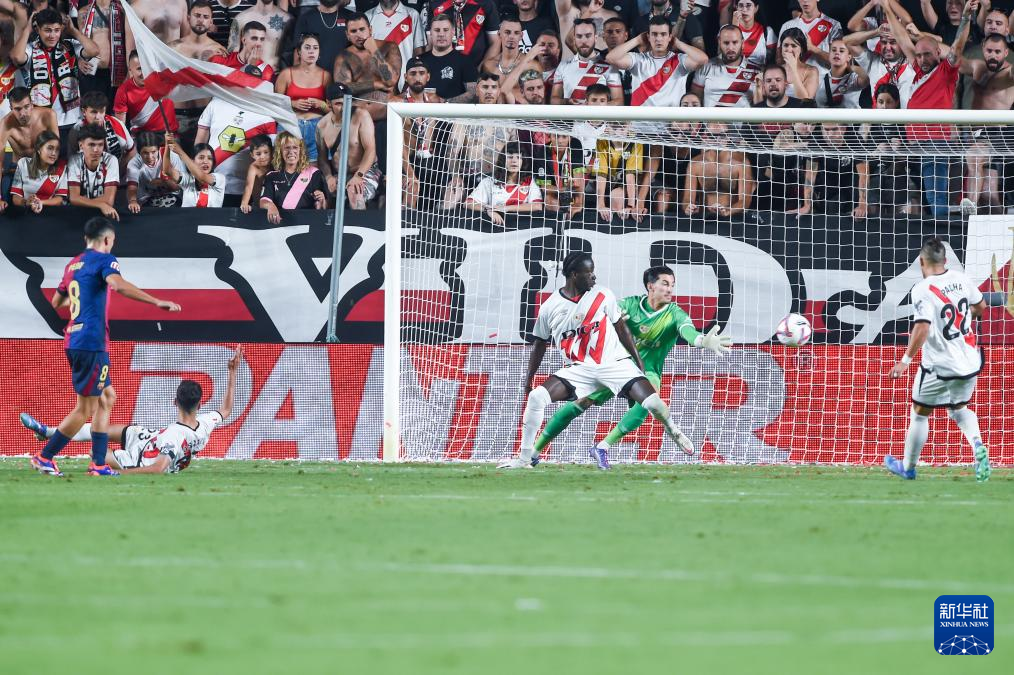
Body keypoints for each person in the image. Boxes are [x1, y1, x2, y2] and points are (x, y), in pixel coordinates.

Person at [497, 252, 695, 469]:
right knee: (536, 397)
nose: (594, 277)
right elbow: (539, 344)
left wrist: (638, 364)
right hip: (580, 369)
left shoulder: (603, 294)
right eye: (589, 273)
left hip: (615, 364)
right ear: (574, 275)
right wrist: (529, 379)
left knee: (654, 404)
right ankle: (525, 458)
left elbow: (622, 330)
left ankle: (672, 428)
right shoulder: (550, 307)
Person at [533, 266, 732, 468]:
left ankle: (602, 447)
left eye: (672, 285)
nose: (670, 289)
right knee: (580, 403)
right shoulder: (629, 305)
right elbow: (602, 313)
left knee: (648, 402)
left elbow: (688, 331)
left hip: (647, 371)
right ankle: (534, 451)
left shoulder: (675, 314)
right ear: (650, 286)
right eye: (665, 284)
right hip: (614, 366)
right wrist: (608, 319)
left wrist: (702, 341)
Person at [27, 217, 181, 477]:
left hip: (76, 339)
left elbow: (57, 301)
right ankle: (45, 457)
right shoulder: (104, 260)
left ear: (86, 238)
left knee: (107, 398)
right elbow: (117, 284)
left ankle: (98, 464)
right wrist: (156, 302)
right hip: (90, 342)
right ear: (108, 239)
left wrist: (85, 298)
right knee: (85, 408)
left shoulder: (73, 264)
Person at [22, 347, 241, 474]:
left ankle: (55, 437)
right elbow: (226, 409)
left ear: (175, 402)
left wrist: (119, 473)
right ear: (200, 405)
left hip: (140, 457)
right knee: (102, 430)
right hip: (150, 437)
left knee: (96, 452)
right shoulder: (205, 423)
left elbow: (158, 468)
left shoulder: (175, 436)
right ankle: (48, 432)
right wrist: (232, 372)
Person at [884, 237, 991, 482]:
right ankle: (977, 445)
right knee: (958, 408)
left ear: (922, 262)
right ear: (945, 260)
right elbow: (981, 307)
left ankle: (908, 467)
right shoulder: (962, 279)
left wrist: (904, 361)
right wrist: (963, 316)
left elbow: (922, 327)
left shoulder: (922, 289)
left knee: (920, 412)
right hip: (969, 361)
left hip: (940, 365)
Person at [887, 0, 974, 217]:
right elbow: (902, 38)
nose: (922, 59)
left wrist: (966, 18)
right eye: (918, 55)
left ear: (938, 52)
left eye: (927, 54)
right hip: (914, 146)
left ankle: (943, 234)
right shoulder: (918, 71)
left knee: (936, 196)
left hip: (934, 143)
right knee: (923, 197)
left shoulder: (946, 71)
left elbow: (958, 46)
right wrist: (886, 6)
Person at [10, 9, 101, 129]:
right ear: (38, 29)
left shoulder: (69, 45)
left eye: (57, 30)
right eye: (47, 30)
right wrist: (27, 30)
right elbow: (16, 57)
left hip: (71, 118)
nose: (52, 35)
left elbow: (94, 50)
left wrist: (74, 31)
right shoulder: (30, 49)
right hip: (40, 120)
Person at [606, 15, 708, 107]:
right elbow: (611, 58)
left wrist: (678, 43)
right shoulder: (638, 59)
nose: (658, 39)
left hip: (671, 121)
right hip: (641, 121)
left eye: (663, 34)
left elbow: (703, 59)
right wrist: (637, 40)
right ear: (648, 37)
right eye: (654, 34)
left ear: (670, 37)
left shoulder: (679, 60)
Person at [195, 96, 278, 206]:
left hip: (247, 189)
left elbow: (273, 154)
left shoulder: (266, 110)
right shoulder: (215, 102)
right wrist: (197, 174)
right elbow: (199, 144)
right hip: (212, 186)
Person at [169, 0, 228, 148]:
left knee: (201, 159)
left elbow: (224, 86)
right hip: (176, 114)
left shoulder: (219, 51)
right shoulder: (173, 48)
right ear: (188, 18)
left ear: (211, 22)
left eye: (205, 17)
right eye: (197, 15)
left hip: (205, 115)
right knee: (175, 160)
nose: (201, 20)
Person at [317, 82, 380, 210]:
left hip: (365, 171)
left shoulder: (361, 116)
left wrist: (359, 175)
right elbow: (322, 158)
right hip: (340, 174)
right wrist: (329, 177)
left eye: (347, 102)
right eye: (338, 104)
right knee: (319, 195)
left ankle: (359, 223)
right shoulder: (322, 126)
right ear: (328, 103)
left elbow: (370, 149)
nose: (344, 107)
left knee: (354, 191)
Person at [332, 13, 402, 118]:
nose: (359, 34)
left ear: (370, 30)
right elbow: (341, 89)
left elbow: (391, 80)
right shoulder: (343, 56)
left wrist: (374, 50)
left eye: (362, 29)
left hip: (388, 115)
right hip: (358, 117)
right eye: (353, 31)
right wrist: (376, 84)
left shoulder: (389, 47)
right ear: (347, 35)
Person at [275, 33, 331, 161]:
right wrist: (293, 104)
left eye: (315, 48)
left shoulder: (326, 76)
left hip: (317, 126)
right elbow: (275, 105)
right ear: (299, 52)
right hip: (291, 124)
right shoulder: (286, 74)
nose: (311, 51)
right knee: (287, 165)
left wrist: (320, 104)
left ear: (319, 52)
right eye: (307, 47)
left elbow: (333, 110)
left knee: (315, 166)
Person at [682, 122, 755, 218]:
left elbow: (745, 201)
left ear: (728, 136)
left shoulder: (740, 163)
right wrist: (688, 207)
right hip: (705, 218)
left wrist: (727, 211)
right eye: (712, 136)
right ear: (706, 137)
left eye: (722, 135)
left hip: (732, 217)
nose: (717, 140)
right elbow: (687, 198)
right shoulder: (695, 163)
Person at [464, 141, 543, 225]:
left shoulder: (530, 181)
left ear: (523, 161)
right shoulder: (489, 181)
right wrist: (488, 210)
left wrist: (506, 208)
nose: (514, 161)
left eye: (518, 157)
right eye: (510, 157)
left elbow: (537, 206)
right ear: (503, 159)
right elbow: (468, 203)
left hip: (521, 226)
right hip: (496, 226)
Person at [550, 18, 624, 105]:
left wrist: (596, 107)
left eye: (588, 36)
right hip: (571, 114)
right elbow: (554, 100)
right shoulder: (563, 65)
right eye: (579, 36)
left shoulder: (609, 66)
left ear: (595, 38)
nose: (584, 41)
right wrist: (567, 102)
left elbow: (619, 101)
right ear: (574, 39)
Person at [260, 132, 328, 222]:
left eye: (295, 147)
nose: (291, 152)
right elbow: (263, 200)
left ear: (301, 150)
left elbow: (324, 207)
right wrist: (270, 206)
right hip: (280, 225)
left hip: (307, 223)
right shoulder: (271, 176)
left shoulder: (314, 173)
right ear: (280, 151)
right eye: (287, 148)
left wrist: (321, 201)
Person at [76, 0, 132, 103]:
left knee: (115, 110)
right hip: (91, 71)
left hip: (117, 72)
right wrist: (79, 59)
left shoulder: (123, 10)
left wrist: (130, 70)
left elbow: (130, 41)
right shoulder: (83, 12)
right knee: (92, 110)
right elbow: (81, 43)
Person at [691, 24, 759, 108]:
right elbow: (695, 100)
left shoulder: (756, 71)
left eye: (735, 42)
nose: (730, 48)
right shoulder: (706, 67)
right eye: (726, 43)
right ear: (719, 42)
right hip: (711, 117)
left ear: (742, 43)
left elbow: (760, 105)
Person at [113, 51, 179, 134]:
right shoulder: (123, 91)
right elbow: (120, 126)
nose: (144, 72)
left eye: (146, 67)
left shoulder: (165, 78)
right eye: (139, 68)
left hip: (169, 135)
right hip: (141, 136)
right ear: (130, 70)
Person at [366, 0, 426, 90]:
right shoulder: (368, 16)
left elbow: (419, 51)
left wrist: (414, 78)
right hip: (377, 81)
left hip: (406, 82)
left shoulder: (413, 14)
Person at [417, 12, 479, 99]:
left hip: (453, 108)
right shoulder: (419, 61)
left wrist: (445, 103)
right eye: (437, 30)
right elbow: (408, 92)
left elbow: (473, 94)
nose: (441, 34)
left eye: (446, 30)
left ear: (453, 32)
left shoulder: (465, 62)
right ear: (430, 33)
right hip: (422, 108)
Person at [424, 0, 501, 68]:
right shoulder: (435, 4)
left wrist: (483, 68)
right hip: (443, 68)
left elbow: (495, 42)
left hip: (476, 66)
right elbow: (430, 43)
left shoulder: (486, 3)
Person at [68, 123, 120, 219]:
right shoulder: (74, 161)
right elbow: (74, 198)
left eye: (100, 145)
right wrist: (101, 205)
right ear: (81, 145)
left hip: (102, 214)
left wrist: (83, 202)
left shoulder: (111, 160)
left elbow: (109, 200)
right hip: (80, 214)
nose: (96, 150)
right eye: (91, 145)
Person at [125, 131, 185, 210]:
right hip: (147, 201)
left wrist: (164, 182)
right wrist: (133, 201)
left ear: (158, 149)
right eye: (145, 153)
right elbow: (132, 187)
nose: (150, 157)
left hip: (173, 197)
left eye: (153, 152)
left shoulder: (171, 156)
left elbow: (181, 186)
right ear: (139, 152)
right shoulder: (134, 163)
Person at [70, 91, 134, 166]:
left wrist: (118, 169)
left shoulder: (117, 124)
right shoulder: (76, 130)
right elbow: (72, 160)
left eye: (101, 111)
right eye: (93, 112)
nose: (98, 117)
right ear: (84, 111)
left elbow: (132, 150)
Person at [10, 130, 67, 213]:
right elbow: (16, 197)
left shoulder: (62, 168)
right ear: (39, 149)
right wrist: (26, 202)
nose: (54, 153)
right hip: (26, 211)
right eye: (50, 148)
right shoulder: (23, 163)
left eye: (57, 149)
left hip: (50, 212)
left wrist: (40, 202)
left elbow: (60, 199)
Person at [0, 87, 59, 164]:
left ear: (32, 105)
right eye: (17, 109)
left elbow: (55, 147)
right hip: (19, 166)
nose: (22, 114)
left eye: (26, 107)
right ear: (11, 109)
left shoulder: (48, 115)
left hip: (44, 163)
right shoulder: (5, 124)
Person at [228, 0, 291, 70]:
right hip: (245, 73)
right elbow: (233, 56)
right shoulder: (241, 18)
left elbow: (291, 56)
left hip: (275, 74)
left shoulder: (287, 19)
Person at [778, 0, 843, 67]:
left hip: (822, 73)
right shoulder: (787, 26)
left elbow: (838, 61)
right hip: (793, 73)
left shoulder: (833, 25)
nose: (805, 1)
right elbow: (779, 60)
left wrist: (813, 49)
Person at [165, 139, 228, 207]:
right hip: (188, 214)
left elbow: (202, 177)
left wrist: (180, 152)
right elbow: (168, 171)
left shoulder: (219, 178)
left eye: (210, 158)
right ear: (192, 161)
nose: (205, 161)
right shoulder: (188, 179)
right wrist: (167, 145)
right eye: (201, 158)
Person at [812, 37, 869, 108]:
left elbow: (865, 79)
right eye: (833, 50)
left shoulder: (853, 79)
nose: (837, 53)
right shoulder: (819, 79)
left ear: (849, 57)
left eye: (841, 51)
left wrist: (852, 67)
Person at [776, 27, 819, 100]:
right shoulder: (775, 70)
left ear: (801, 49)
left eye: (794, 46)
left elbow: (806, 100)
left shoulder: (811, 71)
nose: (789, 50)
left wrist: (793, 67)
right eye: (786, 45)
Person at [731, 0, 775, 68]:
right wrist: (734, 29)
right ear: (736, 8)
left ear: (756, 8)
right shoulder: (725, 31)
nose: (744, 10)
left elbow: (774, 61)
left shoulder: (767, 32)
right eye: (741, 5)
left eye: (748, 5)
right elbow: (723, 58)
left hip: (759, 73)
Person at [240, 134, 273, 212]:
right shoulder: (254, 167)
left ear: (271, 152)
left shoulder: (275, 164)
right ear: (252, 155)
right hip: (257, 205)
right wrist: (244, 203)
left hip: (274, 205)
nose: (262, 157)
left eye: (266, 152)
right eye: (258, 154)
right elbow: (248, 186)